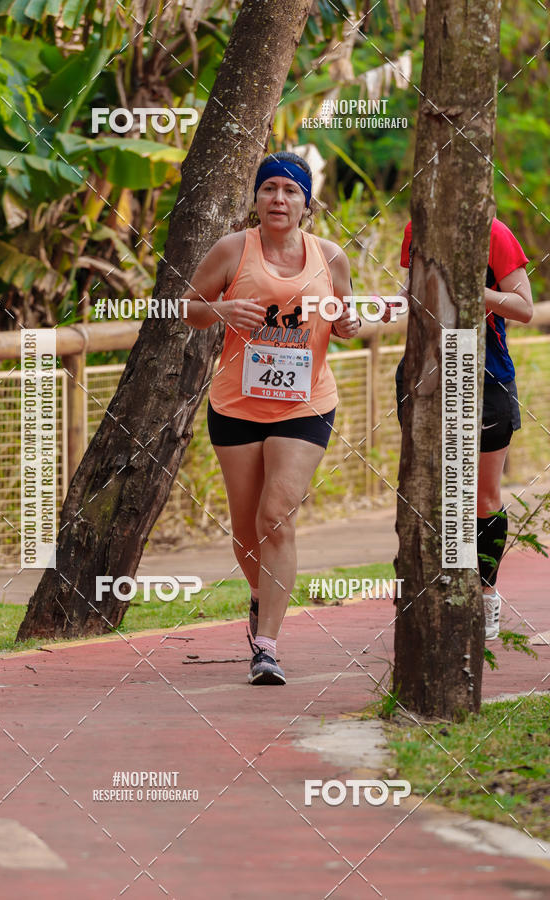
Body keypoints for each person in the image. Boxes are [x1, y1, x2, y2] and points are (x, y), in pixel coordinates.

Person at [184, 151, 360, 684]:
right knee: (245, 532)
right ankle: (262, 595)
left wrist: (348, 324)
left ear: (307, 204)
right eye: (269, 189)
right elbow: (188, 308)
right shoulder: (232, 250)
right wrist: (222, 310)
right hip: (237, 405)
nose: (278, 199)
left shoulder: (330, 257)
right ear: (256, 198)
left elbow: (344, 315)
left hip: (306, 404)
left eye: (290, 190)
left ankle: (266, 648)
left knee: (276, 516)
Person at [390, 217, 533, 640]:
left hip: (485, 375)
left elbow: (524, 308)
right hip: (424, 373)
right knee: (432, 491)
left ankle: (485, 593)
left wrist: (470, 289)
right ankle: (439, 594)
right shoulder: (417, 225)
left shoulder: (495, 233)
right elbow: (412, 291)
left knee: (482, 495)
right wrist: (387, 304)